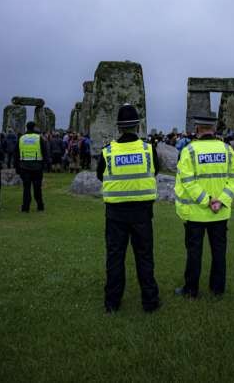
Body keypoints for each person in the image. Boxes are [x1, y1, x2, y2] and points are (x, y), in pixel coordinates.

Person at [96, 104, 161, 313]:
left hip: (115, 213)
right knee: (144, 257)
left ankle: (112, 302)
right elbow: (155, 170)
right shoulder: (148, 149)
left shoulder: (107, 151)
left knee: (115, 257)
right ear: (138, 125)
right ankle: (150, 301)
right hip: (142, 212)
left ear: (119, 127)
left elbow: (100, 175)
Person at [174, 113, 234, 298]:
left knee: (194, 253)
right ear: (214, 129)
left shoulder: (189, 151)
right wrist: (220, 200)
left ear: (197, 129)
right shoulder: (227, 150)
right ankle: (217, 288)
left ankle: (191, 290)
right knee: (219, 252)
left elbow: (187, 181)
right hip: (219, 213)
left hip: (196, 212)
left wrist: (207, 200)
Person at [16, 121, 45, 213]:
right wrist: (44, 164)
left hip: (24, 166)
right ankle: (40, 206)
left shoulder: (21, 138)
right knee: (37, 188)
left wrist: (17, 167)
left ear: (26, 127)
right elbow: (45, 151)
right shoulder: (39, 138)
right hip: (37, 166)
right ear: (34, 127)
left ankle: (25, 207)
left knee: (26, 188)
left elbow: (16, 153)